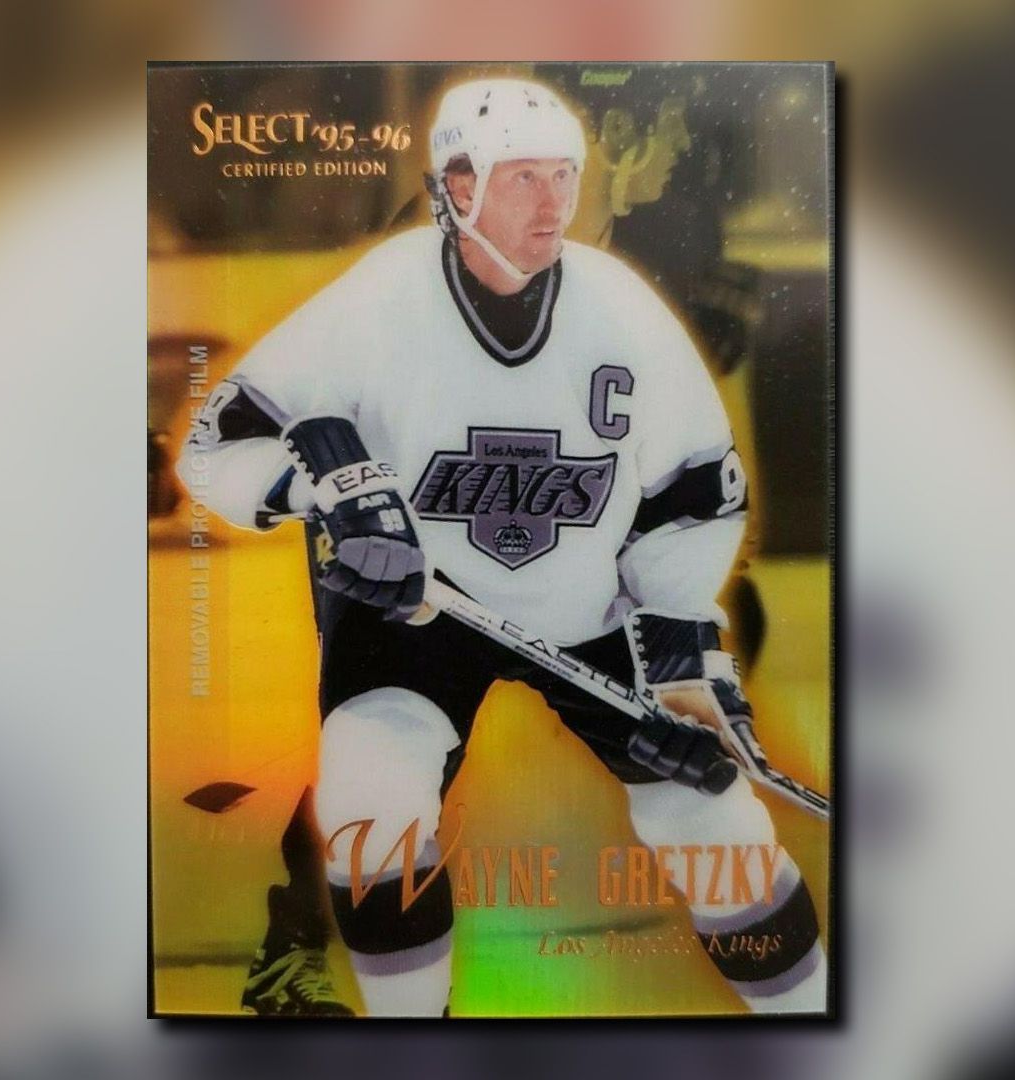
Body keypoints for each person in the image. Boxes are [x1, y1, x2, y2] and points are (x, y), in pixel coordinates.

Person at [186, 77, 826, 1017]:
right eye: (524, 176)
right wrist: (325, 495)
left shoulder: (618, 306)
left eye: (564, 175)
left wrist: (680, 648)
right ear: (458, 185)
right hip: (417, 615)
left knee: (711, 813)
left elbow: (694, 492)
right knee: (370, 795)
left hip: (589, 609)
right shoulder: (382, 298)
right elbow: (216, 445)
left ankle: (812, 1028)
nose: (554, 200)